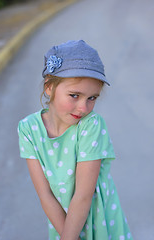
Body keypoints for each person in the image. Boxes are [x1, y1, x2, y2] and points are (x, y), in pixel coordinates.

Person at [18, 40, 133, 240]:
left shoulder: (90, 125)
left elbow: (83, 195)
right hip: (63, 223)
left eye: (92, 98)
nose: (83, 108)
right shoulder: (28, 129)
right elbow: (45, 195)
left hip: (98, 219)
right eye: (74, 95)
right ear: (49, 88)